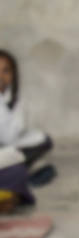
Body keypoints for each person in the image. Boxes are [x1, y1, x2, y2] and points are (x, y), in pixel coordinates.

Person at [0, 49, 55, 185]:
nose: (0, 75)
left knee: (45, 140)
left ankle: (12, 164)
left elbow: (15, 132)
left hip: (9, 146)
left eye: (6, 71)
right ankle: (18, 167)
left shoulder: (16, 99)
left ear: (13, 74)